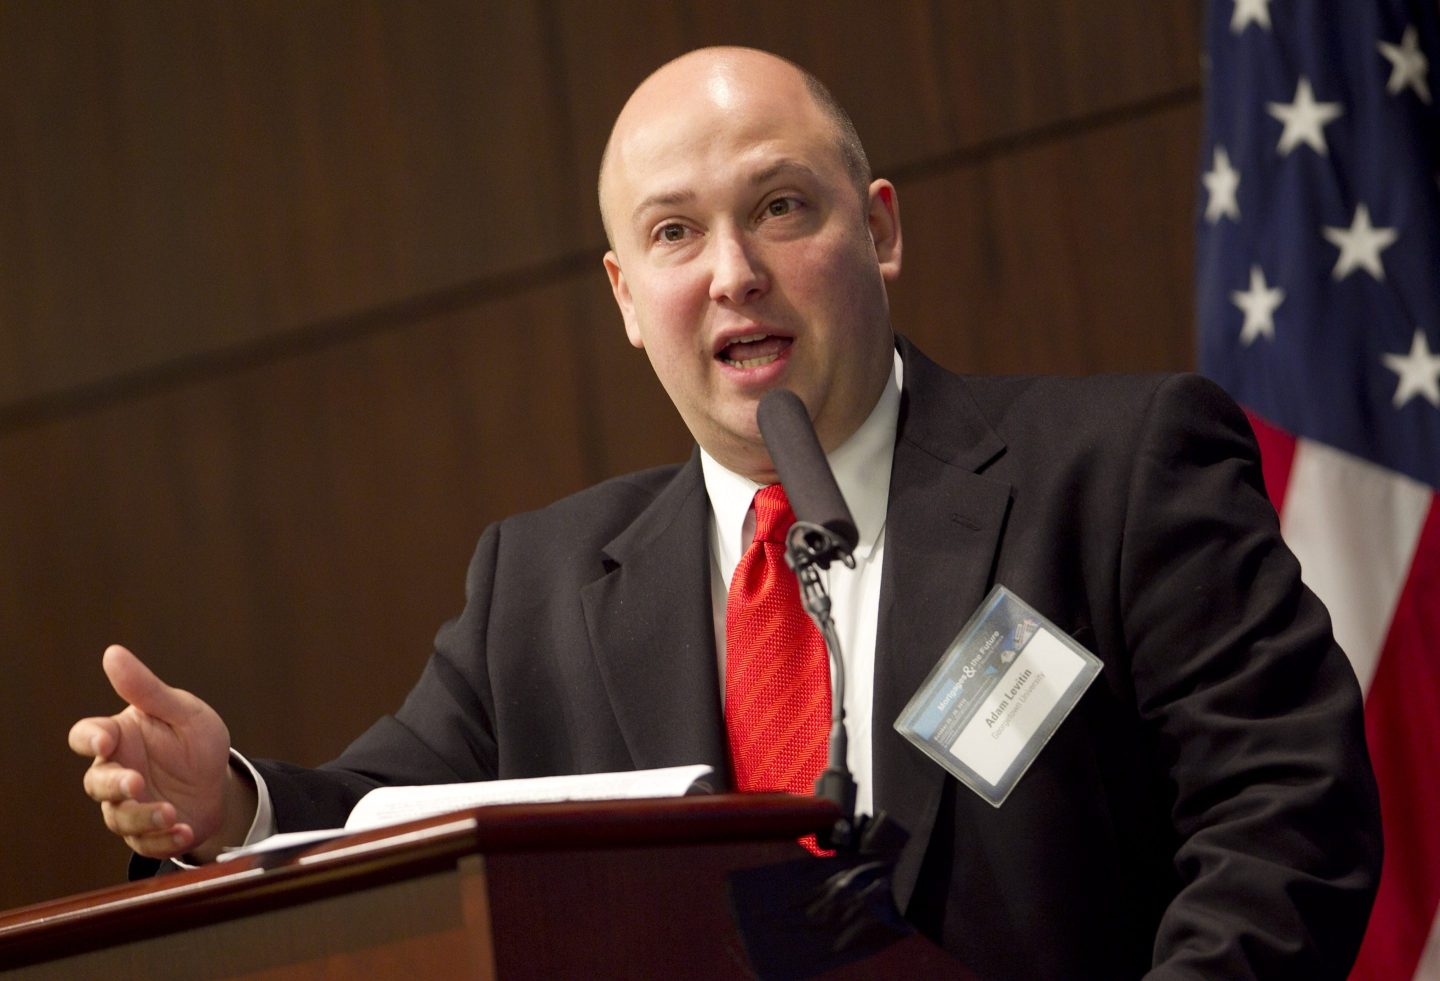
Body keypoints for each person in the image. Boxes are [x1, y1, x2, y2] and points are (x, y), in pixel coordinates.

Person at [70, 47, 1382, 978]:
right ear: (625, 298)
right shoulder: (539, 585)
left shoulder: (1113, 470)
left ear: (879, 231)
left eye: (780, 207)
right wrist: (225, 804)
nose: (735, 273)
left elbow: (1285, 814)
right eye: (674, 234)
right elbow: (375, 820)